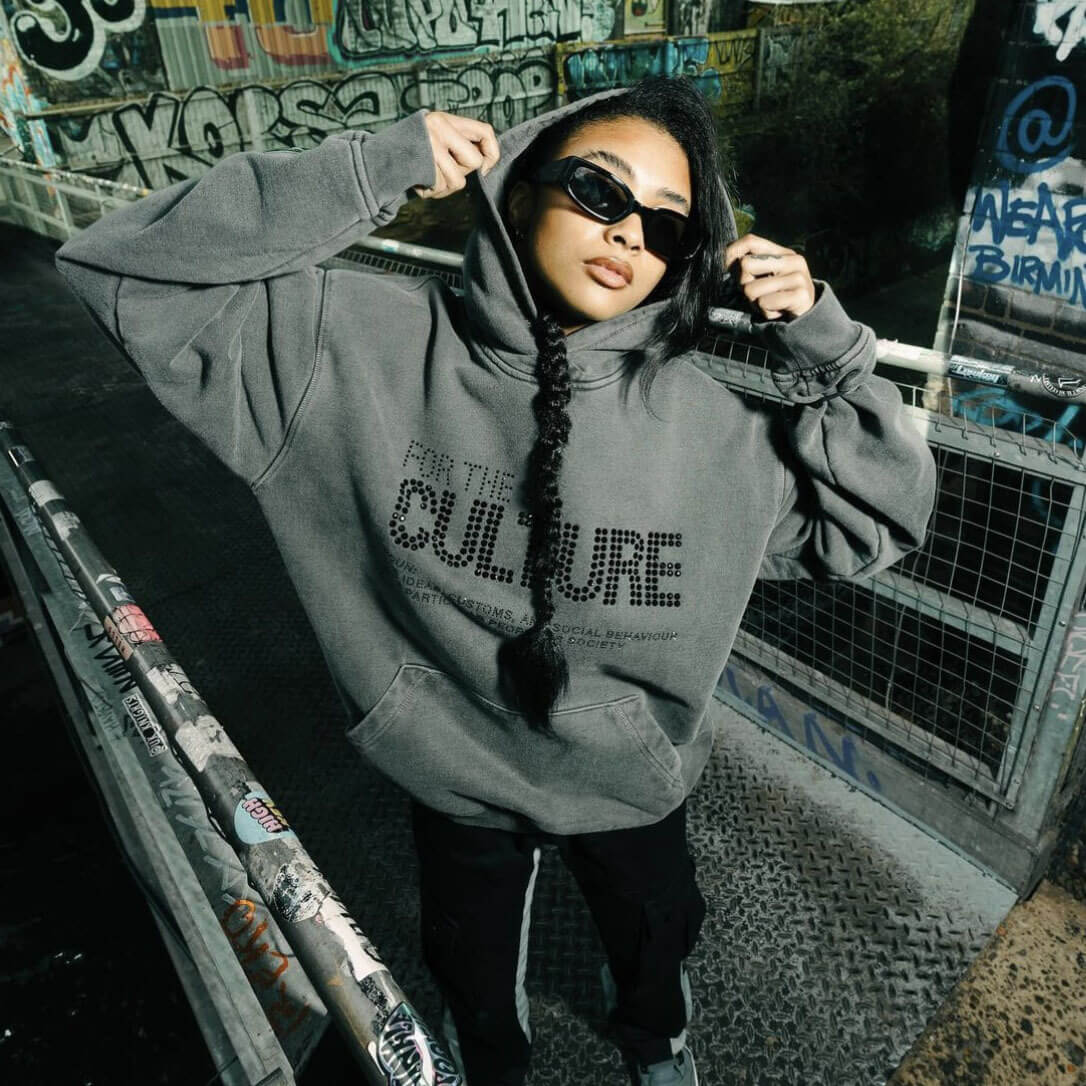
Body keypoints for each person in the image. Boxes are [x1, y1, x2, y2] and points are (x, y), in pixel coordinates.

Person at [55, 76, 938, 1085]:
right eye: (598, 191)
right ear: (520, 186)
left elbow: (882, 520)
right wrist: (372, 169)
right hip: (454, 772)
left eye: (666, 226)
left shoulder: (719, 432)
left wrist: (825, 342)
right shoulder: (347, 350)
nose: (628, 233)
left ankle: (656, 1040)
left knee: (658, 935)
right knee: (470, 967)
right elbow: (122, 269)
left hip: (629, 786)